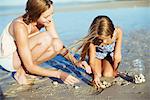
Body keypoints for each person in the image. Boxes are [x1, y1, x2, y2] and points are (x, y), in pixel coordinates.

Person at [0, 0, 91, 85]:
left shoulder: (46, 21)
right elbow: (29, 65)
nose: (50, 19)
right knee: (46, 37)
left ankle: (24, 71)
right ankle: (20, 74)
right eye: (46, 16)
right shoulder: (19, 25)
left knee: (57, 44)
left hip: (23, 54)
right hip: (9, 59)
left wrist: (76, 62)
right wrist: (58, 74)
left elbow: (59, 46)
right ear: (34, 15)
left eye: (51, 14)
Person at [74, 15, 122, 87]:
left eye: (106, 39)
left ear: (112, 32)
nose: (104, 42)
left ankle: (107, 65)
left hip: (108, 56)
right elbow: (92, 61)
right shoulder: (93, 39)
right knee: (98, 75)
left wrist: (115, 70)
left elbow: (117, 56)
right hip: (97, 55)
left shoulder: (118, 32)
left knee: (108, 75)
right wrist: (95, 74)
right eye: (100, 40)